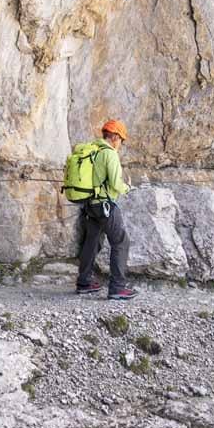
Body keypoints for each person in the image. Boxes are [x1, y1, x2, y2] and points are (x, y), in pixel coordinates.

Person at [75, 119, 136, 300]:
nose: (120, 144)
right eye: (121, 140)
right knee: (121, 242)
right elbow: (116, 184)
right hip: (105, 205)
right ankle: (117, 288)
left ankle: (84, 283)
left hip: (90, 205)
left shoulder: (93, 150)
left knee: (92, 242)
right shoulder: (109, 154)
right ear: (115, 136)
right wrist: (127, 188)